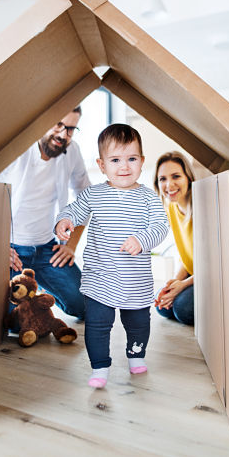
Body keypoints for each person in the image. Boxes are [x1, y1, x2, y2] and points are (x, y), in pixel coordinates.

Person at [55, 123, 168, 388]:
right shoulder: (94, 194)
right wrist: (64, 221)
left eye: (131, 159)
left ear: (141, 162)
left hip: (135, 280)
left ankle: (136, 354)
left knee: (139, 323)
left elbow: (161, 227)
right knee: (97, 324)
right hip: (100, 277)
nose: (124, 166)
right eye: (115, 160)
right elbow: (73, 210)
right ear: (102, 164)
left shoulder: (149, 198)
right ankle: (100, 366)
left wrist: (142, 240)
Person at [0, 106, 90, 323]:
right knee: (13, 321)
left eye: (71, 129)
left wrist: (71, 245)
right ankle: (31, 295)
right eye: (58, 124)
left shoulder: (72, 151)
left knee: (84, 305)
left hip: (48, 249)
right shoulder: (17, 150)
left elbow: (86, 197)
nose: (63, 135)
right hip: (12, 252)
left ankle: (36, 291)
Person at [153, 151, 196, 326]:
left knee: (183, 308)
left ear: (188, 178)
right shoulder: (171, 208)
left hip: (212, 276)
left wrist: (183, 285)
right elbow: (186, 257)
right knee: (162, 306)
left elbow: (215, 265)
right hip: (194, 274)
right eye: (162, 179)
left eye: (176, 176)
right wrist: (174, 283)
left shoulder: (202, 206)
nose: (169, 184)